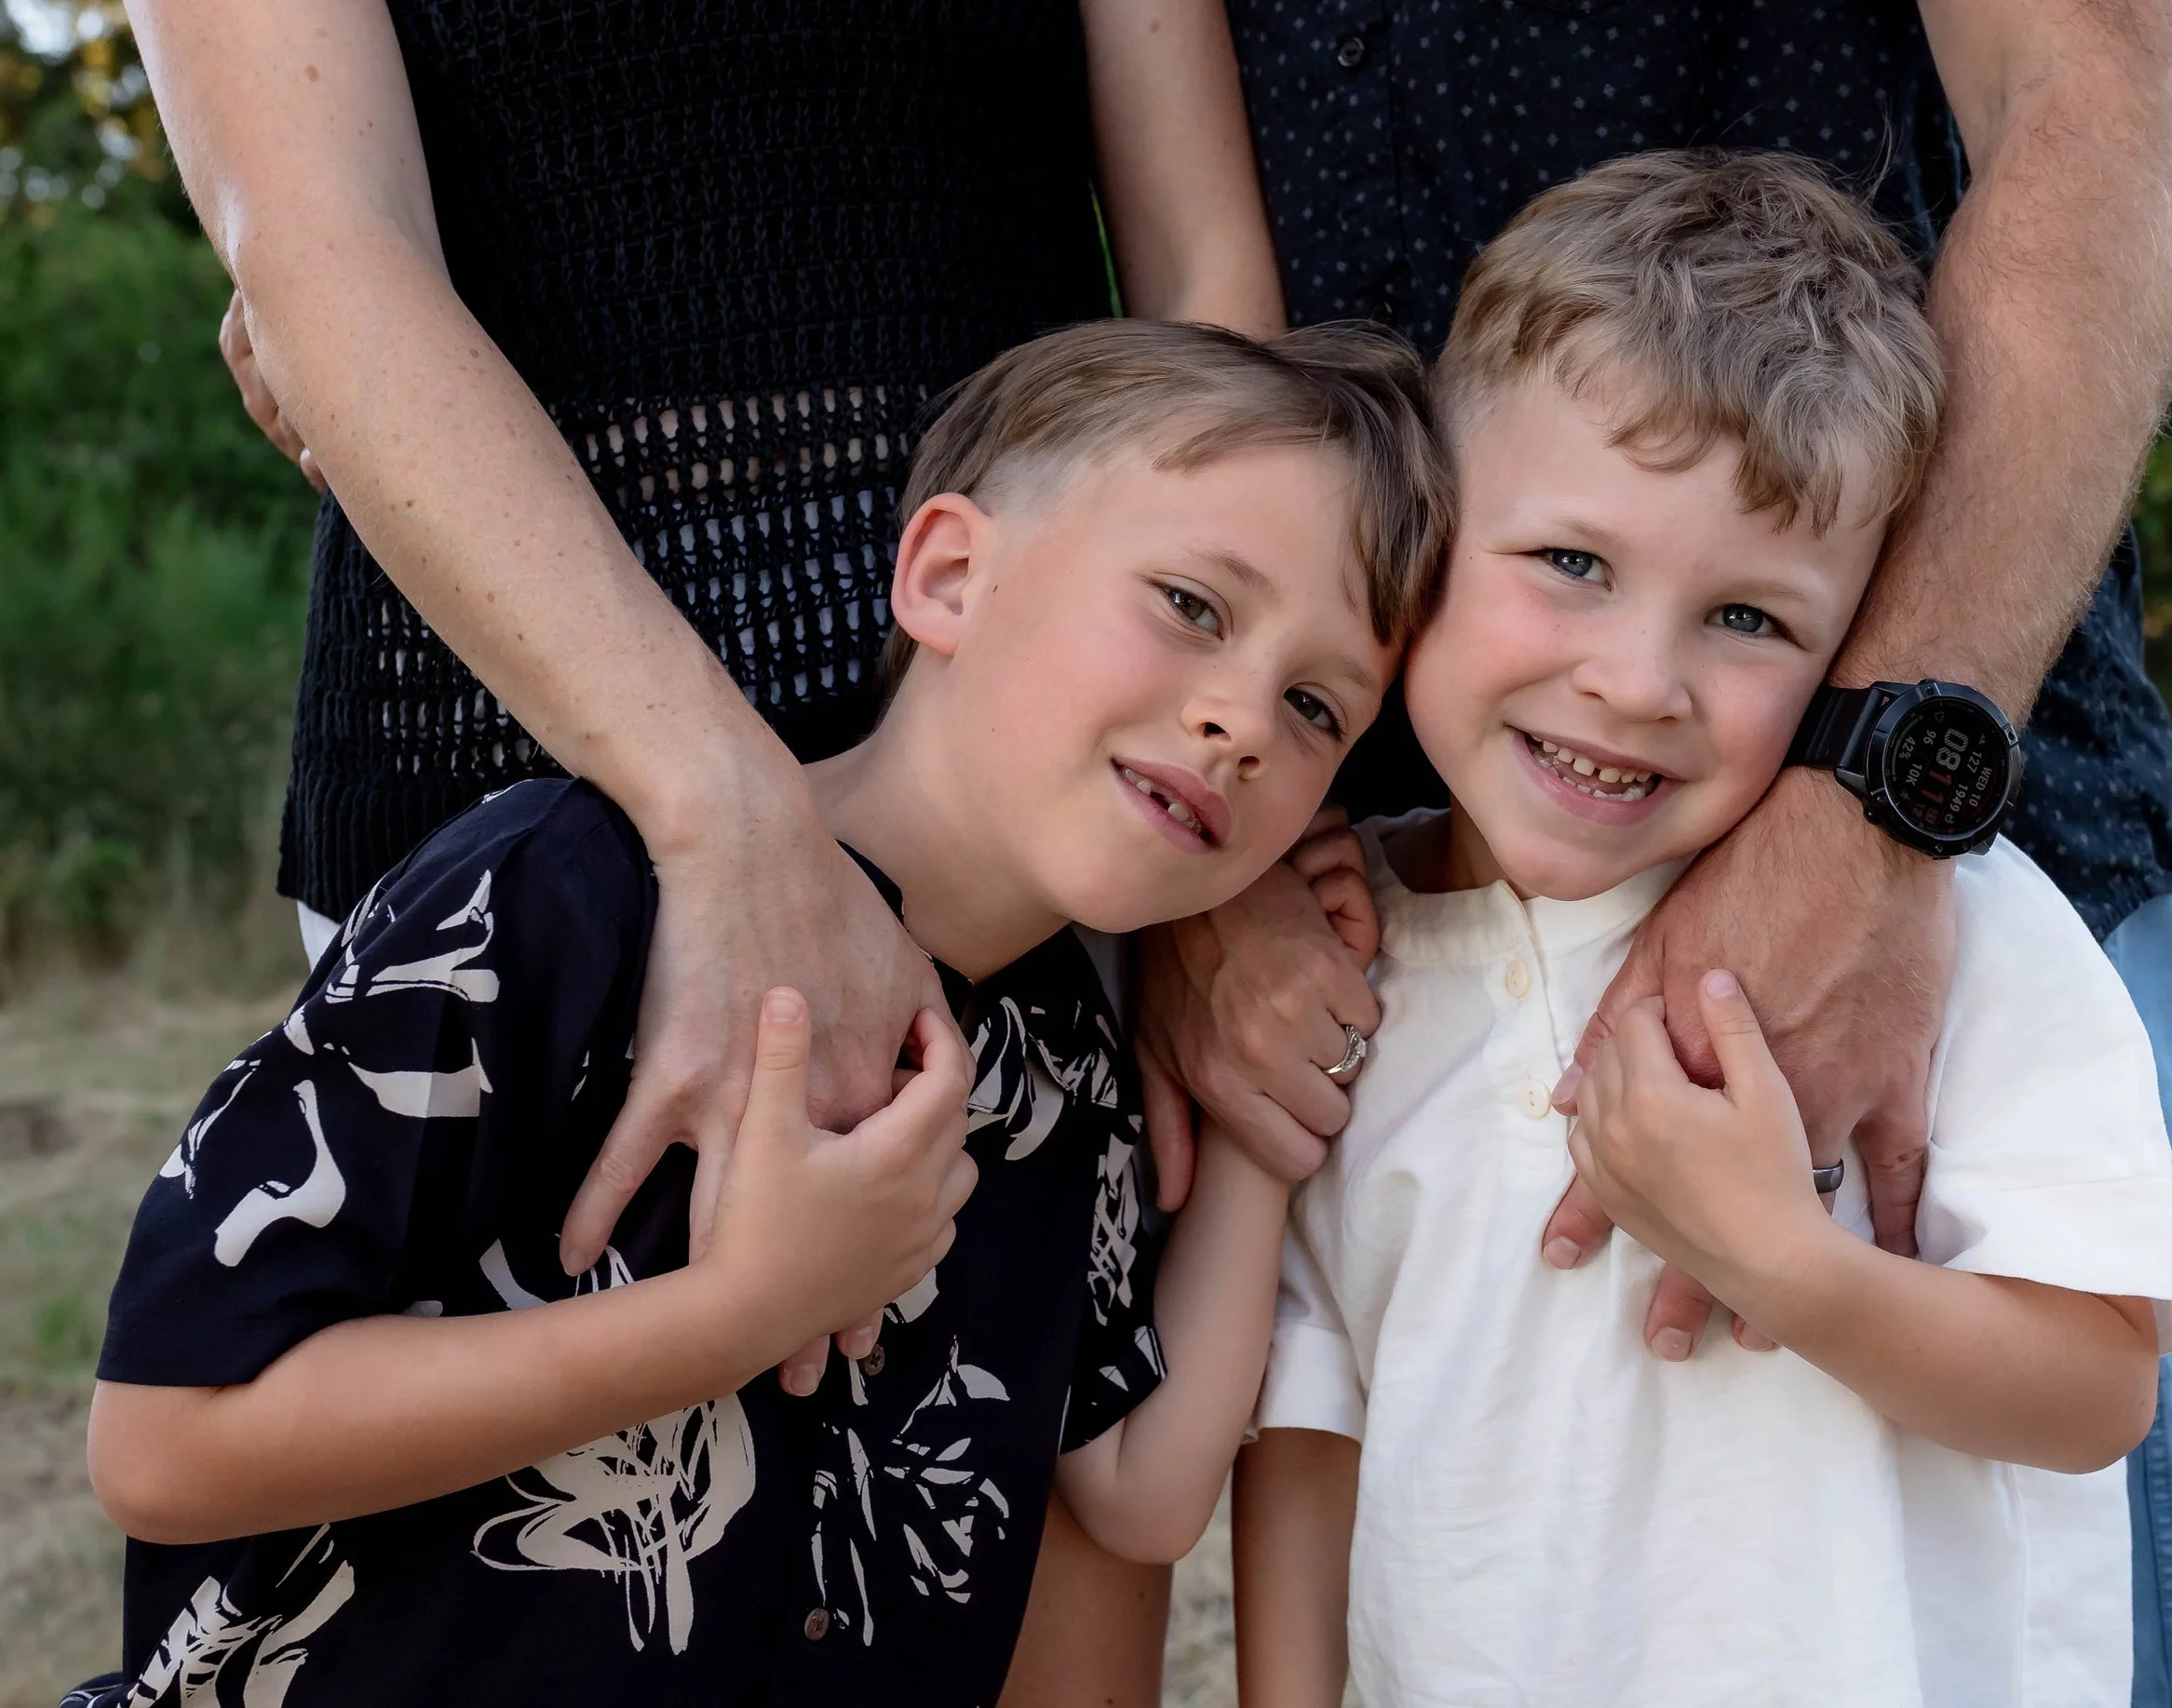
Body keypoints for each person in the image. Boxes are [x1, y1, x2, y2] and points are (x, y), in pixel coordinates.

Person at [141, 0, 1290, 1688]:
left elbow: (1204, 263)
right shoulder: (509, 905)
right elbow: (322, 247)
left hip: (1033, 817)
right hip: (510, 811)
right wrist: (733, 817)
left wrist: (1220, 876)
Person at [65, 319, 1454, 1707]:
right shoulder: (555, 899)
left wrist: (1272, 1126)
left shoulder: (1059, 1079)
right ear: (951, 575)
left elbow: (1143, 1491)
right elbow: (165, 1444)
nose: (1246, 721)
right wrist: (740, 1313)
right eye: (1194, 605)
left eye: (1320, 705)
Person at [1140, 4, 2172, 1701]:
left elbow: (2097, 1391)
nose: (1635, 682)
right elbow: (1314, 1414)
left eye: (1743, 614)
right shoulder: (1352, 958)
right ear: (1432, 525)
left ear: (1849, 626)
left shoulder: (1984, 936)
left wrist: (1791, 1266)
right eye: (1570, 563)